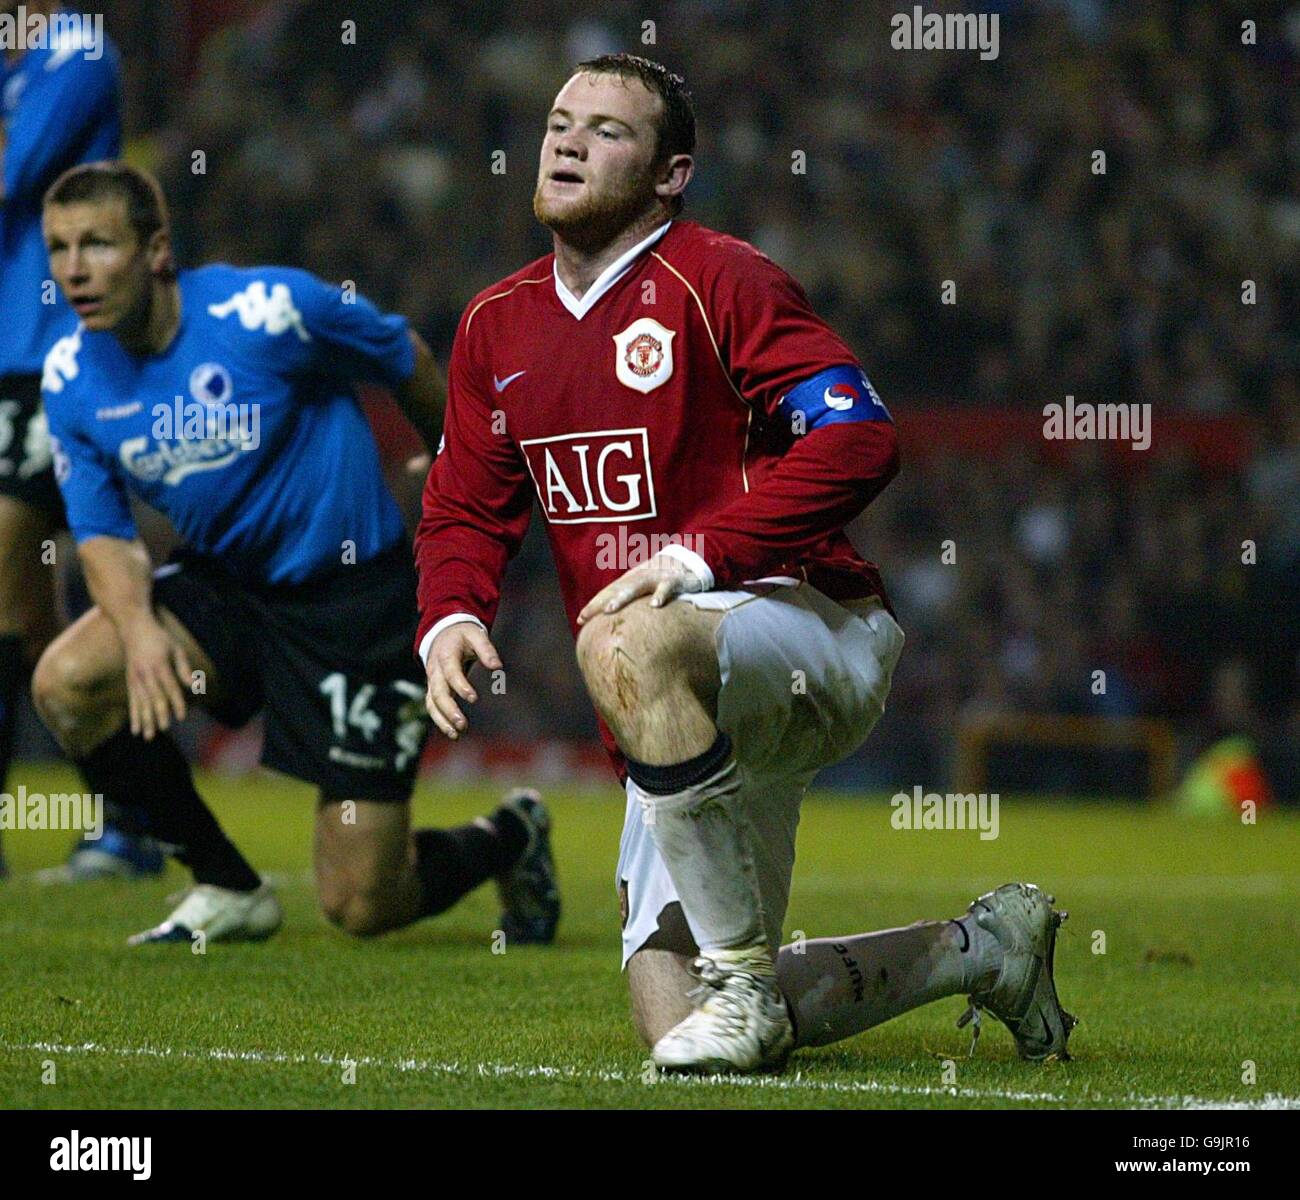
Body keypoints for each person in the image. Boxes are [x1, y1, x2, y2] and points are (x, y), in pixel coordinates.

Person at [415, 53, 1071, 1073]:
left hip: (805, 625)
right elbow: (464, 501)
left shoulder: (721, 278)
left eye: (607, 129)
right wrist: (451, 613)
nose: (568, 140)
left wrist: (700, 556)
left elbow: (859, 438)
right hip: (667, 698)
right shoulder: (495, 324)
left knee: (629, 642)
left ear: (672, 172)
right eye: (558, 121)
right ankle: (983, 950)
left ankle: (747, 982)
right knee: (680, 1027)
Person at [34, 161, 559, 947]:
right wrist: (140, 631)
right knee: (69, 684)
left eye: (98, 245)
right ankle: (225, 883)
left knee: (362, 903)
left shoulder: (268, 311)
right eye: (60, 248)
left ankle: (511, 835)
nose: (74, 268)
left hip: (356, 604)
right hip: (229, 594)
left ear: (156, 251)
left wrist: (445, 457)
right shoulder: (72, 376)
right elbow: (103, 533)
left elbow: (401, 353)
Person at [0, 0, 161, 879]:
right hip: (5, 350)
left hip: (50, 349)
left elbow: (16, 174)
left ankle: (131, 819)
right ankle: (128, 815)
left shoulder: (74, 48)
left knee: (22, 578)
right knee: (27, 607)